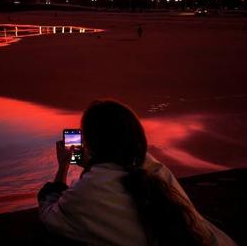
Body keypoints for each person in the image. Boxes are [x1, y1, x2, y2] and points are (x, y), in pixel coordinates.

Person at [38, 100, 236, 245]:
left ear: (89, 145)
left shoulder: (88, 191)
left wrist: (64, 165)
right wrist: (93, 165)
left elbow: (51, 214)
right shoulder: (155, 169)